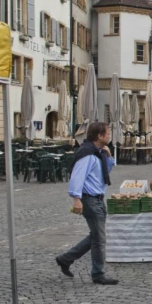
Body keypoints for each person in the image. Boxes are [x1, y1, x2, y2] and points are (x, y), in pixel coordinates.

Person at [56, 122, 118, 285]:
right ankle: (98, 274)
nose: (110, 135)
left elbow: (102, 173)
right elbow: (77, 176)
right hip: (89, 199)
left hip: (97, 198)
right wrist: (76, 199)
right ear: (99, 136)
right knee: (99, 238)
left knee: (96, 236)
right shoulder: (87, 154)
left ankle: (65, 259)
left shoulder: (97, 153)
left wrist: (109, 156)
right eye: (108, 132)